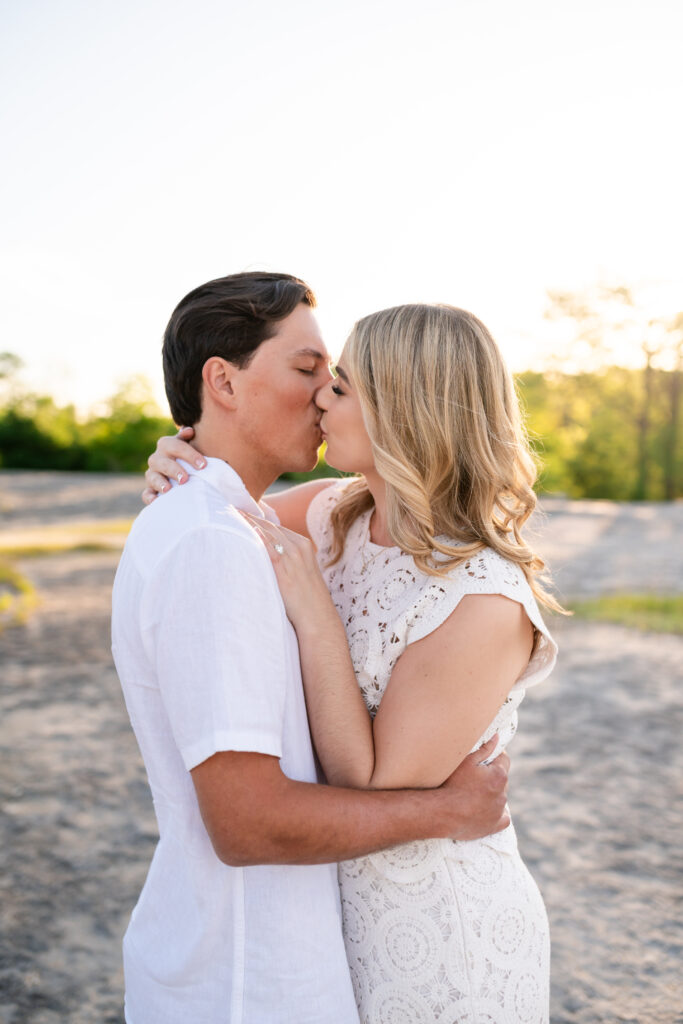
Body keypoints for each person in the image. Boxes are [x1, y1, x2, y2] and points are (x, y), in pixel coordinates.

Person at [144, 300, 560, 1023]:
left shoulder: (482, 596)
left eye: (340, 384)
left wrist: (314, 615)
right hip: (323, 931)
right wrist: (178, 463)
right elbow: (216, 525)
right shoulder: (337, 513)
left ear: (404, 407)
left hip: (434, 939)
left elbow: (366, 782)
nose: (319, 398)